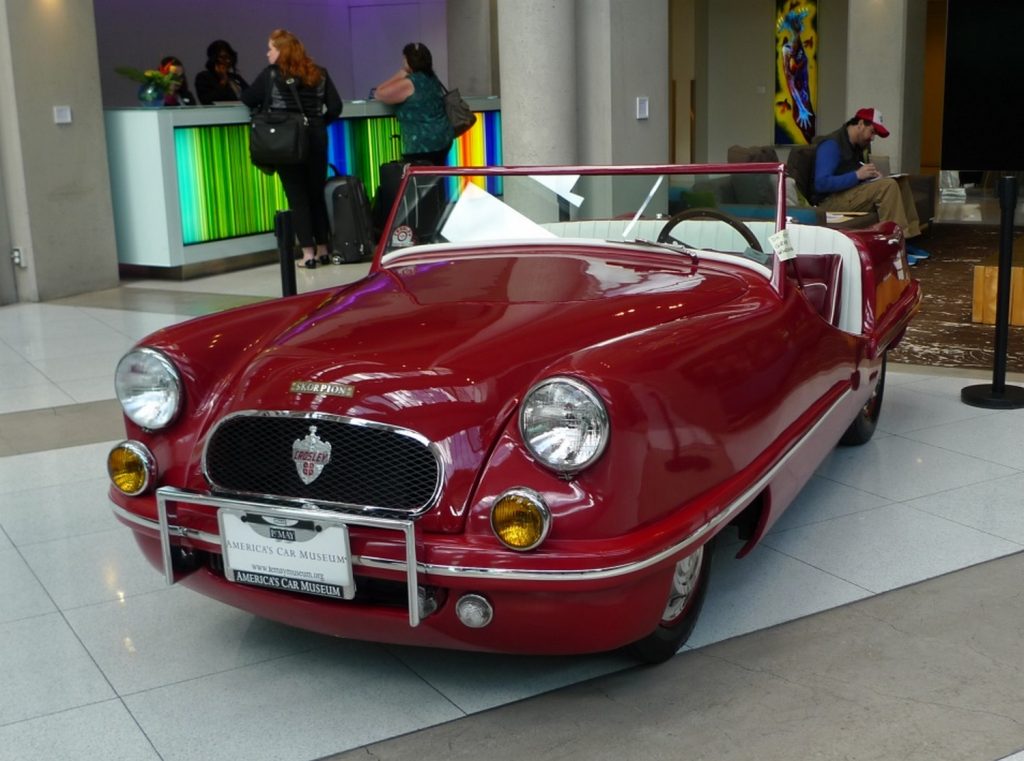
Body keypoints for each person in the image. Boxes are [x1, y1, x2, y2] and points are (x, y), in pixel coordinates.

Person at [241, 29, 342, 269]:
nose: (267, 54)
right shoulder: (319, 73)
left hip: (287, 141)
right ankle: (324, 249)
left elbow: (248, 98)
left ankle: (307, 254)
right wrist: (318, 123)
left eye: (271, 49)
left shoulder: (271, 75)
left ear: (281, 51)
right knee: (316, 194)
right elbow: (335, 107)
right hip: (316, 138)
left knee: (298, 198)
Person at [813, 107, 929, 263]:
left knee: (900, 182)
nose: (873, 138)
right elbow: (821, 184)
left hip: (848, 194)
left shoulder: (856, 146)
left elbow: (853, 175)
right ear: (861, 124)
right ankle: (893, 247)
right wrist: (857, 175)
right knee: (887, 186)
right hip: (829, 202)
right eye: (872, 132)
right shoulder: (832, 145)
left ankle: (906, 239)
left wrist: (870, 178)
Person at [373, 42, 454, 165]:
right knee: (435, 174)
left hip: (421, 144)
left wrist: (400, 74)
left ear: (408, 62)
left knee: (416, 176)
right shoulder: (432, 78)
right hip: (444, 140)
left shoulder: (410, 83)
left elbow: (379, 93)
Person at [195, 39, 249, 104]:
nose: (228, 61)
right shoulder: (204, 77)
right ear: (214, 58)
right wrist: (223, 81)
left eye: (229, 57)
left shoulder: (235, 77)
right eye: (223, 57)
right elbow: (207, 100)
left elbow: (249, 94)